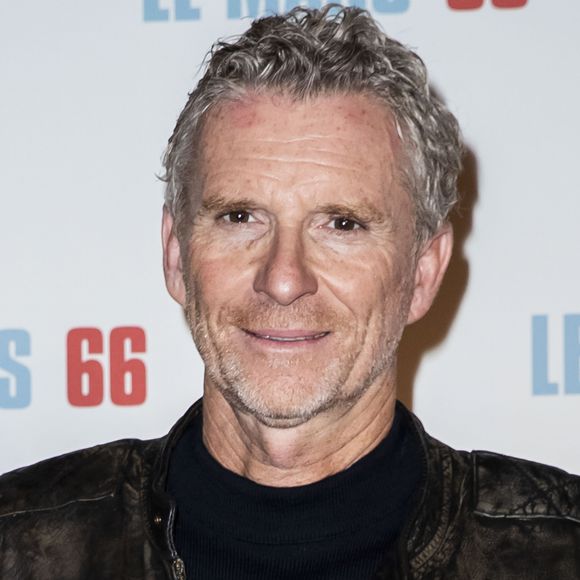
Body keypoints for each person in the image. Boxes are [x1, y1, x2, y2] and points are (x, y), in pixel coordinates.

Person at [1, 6, 579, 579]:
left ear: (423, 273)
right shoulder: (21, 543)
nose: (282, 278)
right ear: (176, 254)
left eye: (342, 224)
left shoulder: (556, 550)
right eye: (240, 216)